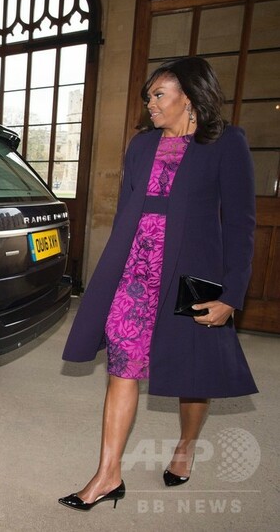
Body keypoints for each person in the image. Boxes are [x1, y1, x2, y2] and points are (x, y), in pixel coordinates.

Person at [58, 56, 257, 511]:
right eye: (148, 96)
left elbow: (241, 224)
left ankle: (186, 446)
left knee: (193, 372)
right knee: (122, 363)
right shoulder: (143, 144)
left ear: (189, 96)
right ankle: (108, 474)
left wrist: (232, 294)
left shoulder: (226, 143)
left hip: (192, 275)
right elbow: (128, 210)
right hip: (136, 271)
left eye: (159, 95)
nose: (150, 103)